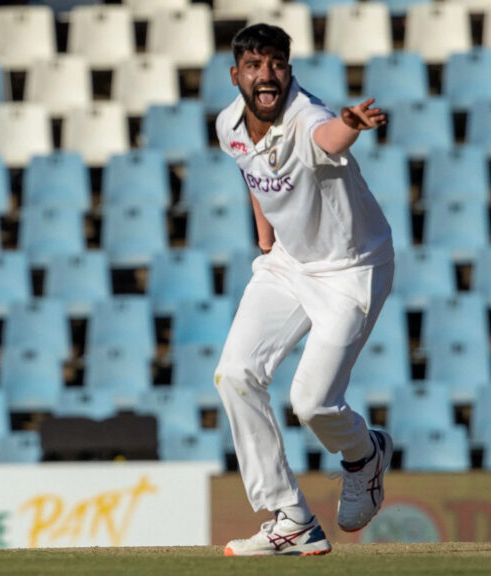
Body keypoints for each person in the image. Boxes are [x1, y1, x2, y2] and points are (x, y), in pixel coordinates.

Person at [213, 24, 394, 556]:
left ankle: (364, 457)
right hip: (289, 262)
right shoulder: (230, 124)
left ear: (288, 72)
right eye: (254, 65)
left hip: (351, 268)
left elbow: (326, 136)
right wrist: (265, 231)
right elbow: (251, 169)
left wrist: (351, 126)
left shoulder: (306, 117)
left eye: (275, 64)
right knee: (234, 374)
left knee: (312, 404)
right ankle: (291, 517)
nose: (265, 74)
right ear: (236, 75)